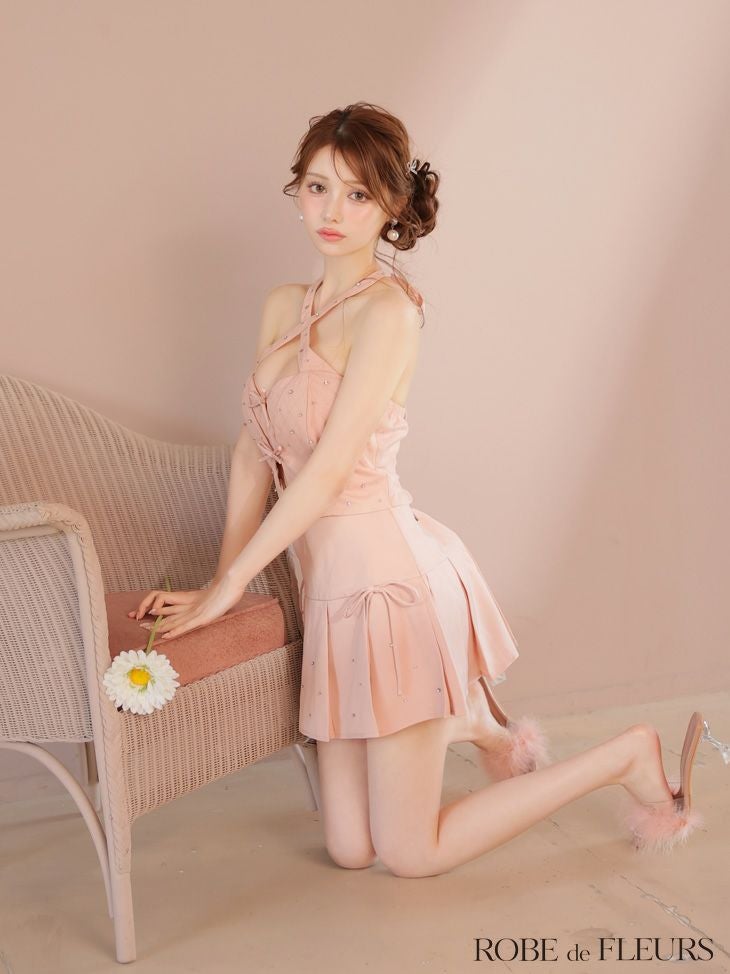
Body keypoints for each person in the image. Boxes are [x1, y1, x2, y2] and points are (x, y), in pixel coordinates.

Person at [130, 102, 726, 877]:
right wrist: (219, 580)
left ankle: (625, 755)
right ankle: (467, 720)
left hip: (392, 591)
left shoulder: (389, 313)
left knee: (410, 856)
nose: (332, 212)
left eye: (357, 194)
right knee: (349, 849)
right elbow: (255, 452)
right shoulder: (283, 305)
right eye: (317, 187)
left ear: (391, 204)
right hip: (330, 594)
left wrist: (232, 587)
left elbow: (328, 471)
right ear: (296, 189)